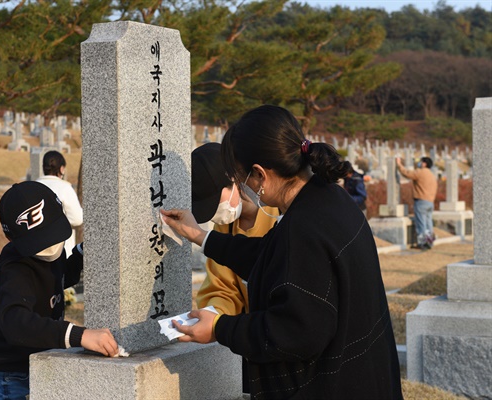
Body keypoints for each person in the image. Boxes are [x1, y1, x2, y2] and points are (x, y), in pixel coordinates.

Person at [161, 105, 402, 399]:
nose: (244, 187)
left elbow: (295, 332)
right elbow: (271, 256)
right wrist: (199, 236)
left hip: (334, 384)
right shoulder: (326, 198)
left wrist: (220, 328)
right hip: (365, 375)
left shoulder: (303, 229)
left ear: (260, 174)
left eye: (242, 177)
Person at [0, 181, 118, 399]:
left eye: (52, 236)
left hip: (29, 361)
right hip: (0, 369)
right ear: (15, 240)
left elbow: (60, 276)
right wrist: (79, 335)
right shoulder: (16, 267)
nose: (50, 247)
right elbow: (15, 321)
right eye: (39, 242)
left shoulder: (51, 255)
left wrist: (85, 251)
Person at [192, 142, 278, 316]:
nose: (215, 212)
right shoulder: (225, 225)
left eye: (216, 201)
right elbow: (221, 287)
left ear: (235, 179)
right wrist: (215, 315)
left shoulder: (277, 214)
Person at [36, 150, 83, 257]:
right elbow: (77, 219)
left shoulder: (32, 187)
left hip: (36, 248)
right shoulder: (65, 188)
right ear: (61, 169)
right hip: (60, 249)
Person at [396, 156, 438, 250]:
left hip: (421, 200)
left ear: (424, 164)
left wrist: (399, 165)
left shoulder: (421, 172)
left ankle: (422, 243)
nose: (419, 163)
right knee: (428, 223)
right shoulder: (432, 175)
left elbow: (407, 174)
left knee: (421, 223)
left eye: (421, 162)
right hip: (430, 201)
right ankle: (430, 241)